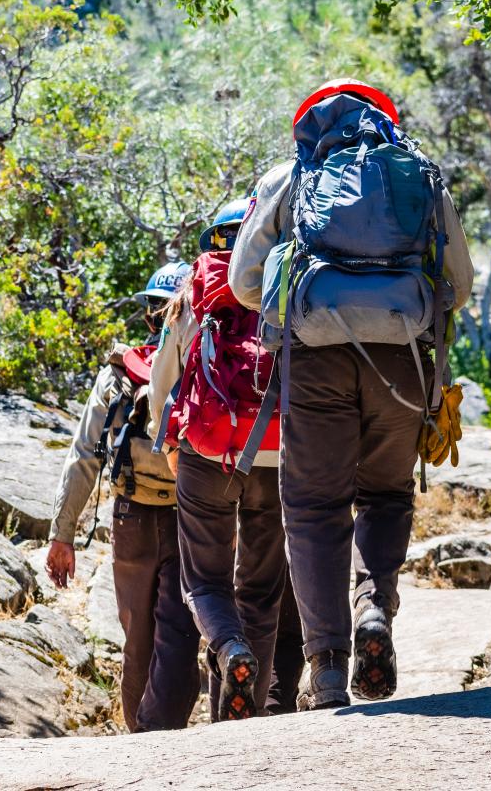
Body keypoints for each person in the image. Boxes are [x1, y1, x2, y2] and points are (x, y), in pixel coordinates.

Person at [229, 79, 474, 710]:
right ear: (385, 119)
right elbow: (460, 283)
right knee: (386, 494)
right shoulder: (417, 173)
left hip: (314, 361)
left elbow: (243, 282)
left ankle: (330, 667)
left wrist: (308, 309)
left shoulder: (292, 176)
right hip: (403, 358)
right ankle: (374, 611)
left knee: (313, 508)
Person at [45, 261, 200, 732]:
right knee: (180, 632)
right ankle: (161, 733)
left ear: (151, 315)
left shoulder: (118, 374)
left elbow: (84, 455)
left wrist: (62, 534)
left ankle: (141, 733)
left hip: (130, 517)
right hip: (189, 516)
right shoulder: (205, 366)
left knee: (137, 640)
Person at [150, 199, 286, 722]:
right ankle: (245, 714)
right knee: (263, 587)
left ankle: (230, 650)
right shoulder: (286, 285)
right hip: (274, 454)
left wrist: (172, 452)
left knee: (205, 582)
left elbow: (162, 383)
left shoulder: (193, 292)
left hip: (206, 451)